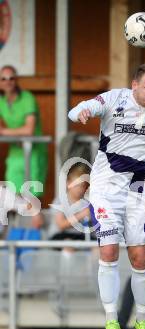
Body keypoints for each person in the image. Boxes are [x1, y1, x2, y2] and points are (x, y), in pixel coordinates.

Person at [68, 54, 145, 329]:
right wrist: (81, 111)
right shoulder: (115, 98)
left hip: (139, 191)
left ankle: (142, 321)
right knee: (108, 249)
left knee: (139, 257)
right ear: (134, 85)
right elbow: (79, 109)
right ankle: (111, 319)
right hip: (106, 189)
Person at [0, 65, 47, 199]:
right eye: (3, 79)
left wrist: (3, 131)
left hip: (33, 152)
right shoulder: (1, 100)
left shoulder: (27, 98)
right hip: (15, 153)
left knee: (32, 197)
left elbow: (29, 130)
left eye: (11, 78)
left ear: (17, 80)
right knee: (12, 194)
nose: (8, 81)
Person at [48, 163, 93, 251]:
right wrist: (81, 215)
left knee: (97, 247)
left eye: (82, 186)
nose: (79, 189)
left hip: (81, 236)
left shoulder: (86, 203)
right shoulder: (60, 201)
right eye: (76, 185)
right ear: (68, 183)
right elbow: (61, 224)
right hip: (60, 236)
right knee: (69, 246)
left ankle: (94, 265)